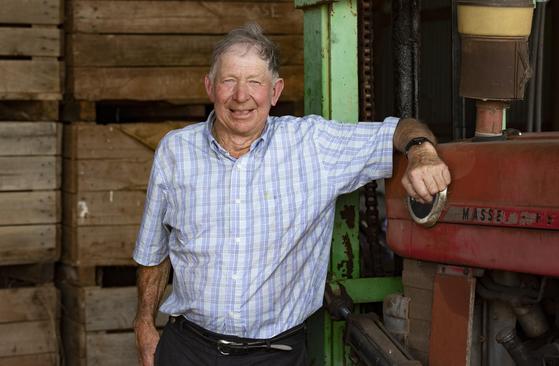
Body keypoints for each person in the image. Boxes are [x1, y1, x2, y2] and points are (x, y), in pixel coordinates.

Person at [133, 22, 451, 366]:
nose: (241, 96)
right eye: (229, 81)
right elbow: (153, 250)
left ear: (275, 91)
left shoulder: (313, 146)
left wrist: (421, 152)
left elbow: (400, 130)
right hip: (189, 350)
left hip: (276, 356)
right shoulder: (176, 150)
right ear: (210, 87)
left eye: (254, 82)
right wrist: (144, 323)